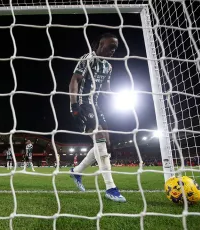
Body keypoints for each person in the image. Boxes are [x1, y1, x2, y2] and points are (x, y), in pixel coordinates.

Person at [69, 33, 126, 202]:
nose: (113, 51)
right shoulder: (88, 59)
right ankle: (110, 188)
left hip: (96, 105)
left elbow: (106, 90)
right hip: (82, 103)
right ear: (100, 45)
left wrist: (117, 99)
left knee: (107, 144)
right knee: (99, 139)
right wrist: (74, 107)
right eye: (110, 47)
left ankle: (77, 171)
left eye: (115, 49)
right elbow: (74, 81)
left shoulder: (108, 67)